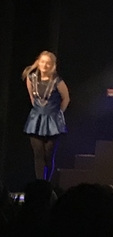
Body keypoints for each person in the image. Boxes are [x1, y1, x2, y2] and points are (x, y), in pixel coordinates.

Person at [22, 51, 70, 182]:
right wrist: (38, 111)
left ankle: (47, 183)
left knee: (48, 155)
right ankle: (39, 184)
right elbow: (32, 97)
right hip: (36, 120)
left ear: (52, 66)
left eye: (48, 63)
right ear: (38, 62)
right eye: (42, 62)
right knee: (38, 154)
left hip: (53, 121)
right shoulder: (31, 78)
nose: (45, 65)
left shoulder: (57, 81)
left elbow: (66, 98)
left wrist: (58, 113)